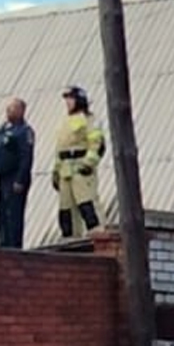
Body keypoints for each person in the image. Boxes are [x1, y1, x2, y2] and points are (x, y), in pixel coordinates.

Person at [51, 85, 105, 238]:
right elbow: (59, 149)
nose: (67, 102)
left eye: (70, 99)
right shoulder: (65, 122)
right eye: (66, 99)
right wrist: (56, 172)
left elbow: (98, 144)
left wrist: (88, 164)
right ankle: (70, 240)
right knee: (65, 210)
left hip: (81, 169)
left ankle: (98, 237)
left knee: (87, 205)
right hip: (65, 171)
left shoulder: (89, 119)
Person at [0, 96, 34, 249]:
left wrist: (20, 180)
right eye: (8, 108)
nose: (8, 111)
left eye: (12, 108)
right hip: (3, 177)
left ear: (21, 111)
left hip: (14, 178)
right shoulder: (3, 129)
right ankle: (4, 243)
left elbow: (26, 157)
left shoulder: (24, 131)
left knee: (13, 214)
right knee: (1, 213)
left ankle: (14, 246)